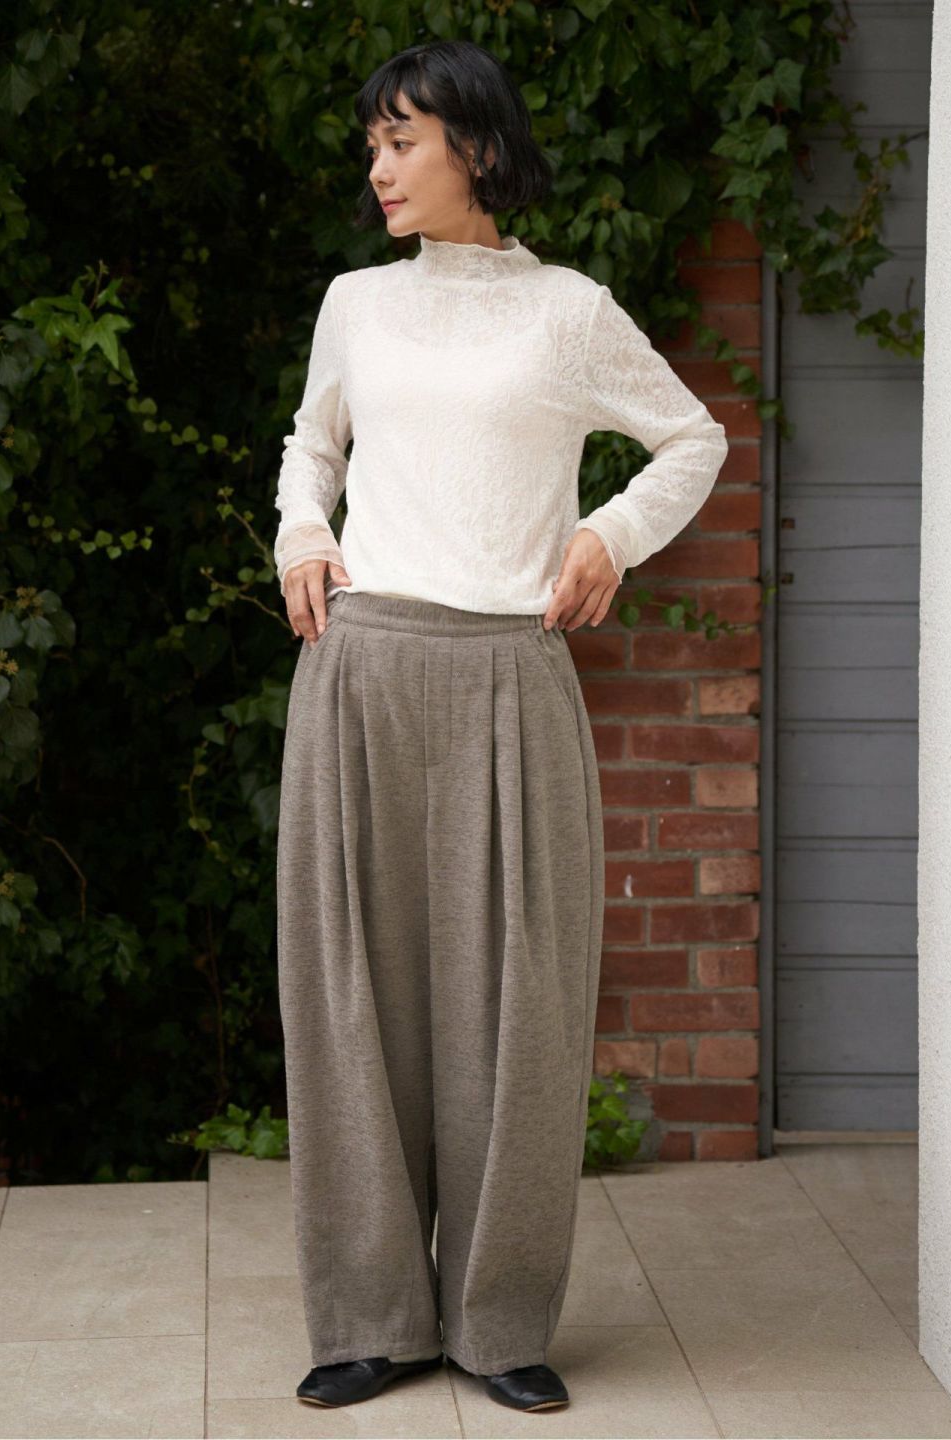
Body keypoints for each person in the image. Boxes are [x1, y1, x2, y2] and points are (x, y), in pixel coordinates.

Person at [273, 38, 728, 1414]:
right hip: (362, 672)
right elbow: (313, 447)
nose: (378, 168)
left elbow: (693, 439)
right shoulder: (357, 304)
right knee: (350, 1002)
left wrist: (608, 535)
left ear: (473, 146)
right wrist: (300, 531)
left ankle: (500, 1321)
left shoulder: (569, 314)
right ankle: (371, 1318)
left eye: (399, 141)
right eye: (372, 146)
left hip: (510, 683)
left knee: (517, 1014)